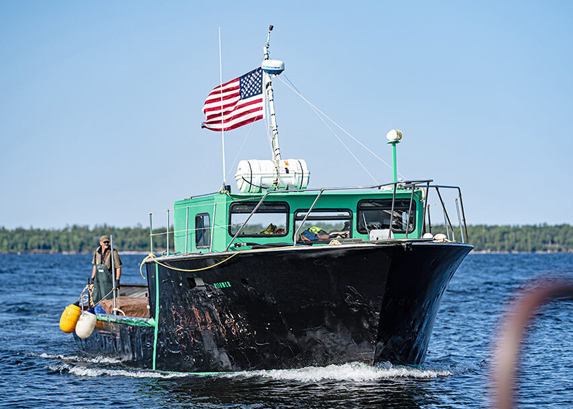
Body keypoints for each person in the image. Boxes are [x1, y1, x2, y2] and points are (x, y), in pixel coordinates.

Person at [91, 235, 122, 305]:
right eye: (104, 242)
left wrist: (117, 281)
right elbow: (95, 266)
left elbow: (118, 267)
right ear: (100, 243)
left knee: (109, 300)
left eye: (107, 242)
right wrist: (92, 278)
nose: (106, 244)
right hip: (98, 281)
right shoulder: (97, 252)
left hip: (109, 281)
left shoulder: (113, 252)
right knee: (96, 297)